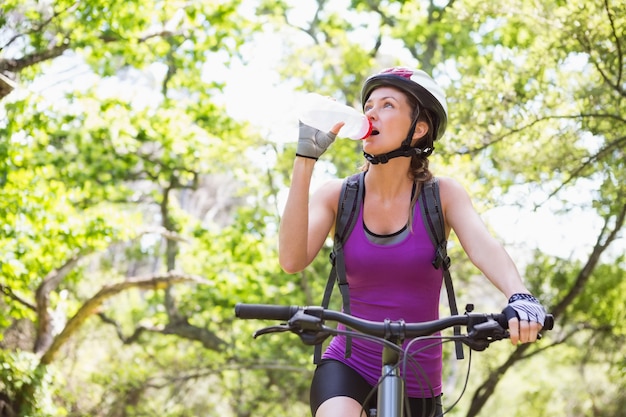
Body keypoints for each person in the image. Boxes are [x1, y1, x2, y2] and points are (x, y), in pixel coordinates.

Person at [278, 67, 547, 417]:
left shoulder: (441, 196)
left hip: (420, 378)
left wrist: (519, 294)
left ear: (418, 129)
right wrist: (305, 159)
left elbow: (483, 247)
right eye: (369, 105)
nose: (370, 113)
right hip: (349, 366)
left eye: (387, 105)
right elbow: (291, 259)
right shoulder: (338, 196)